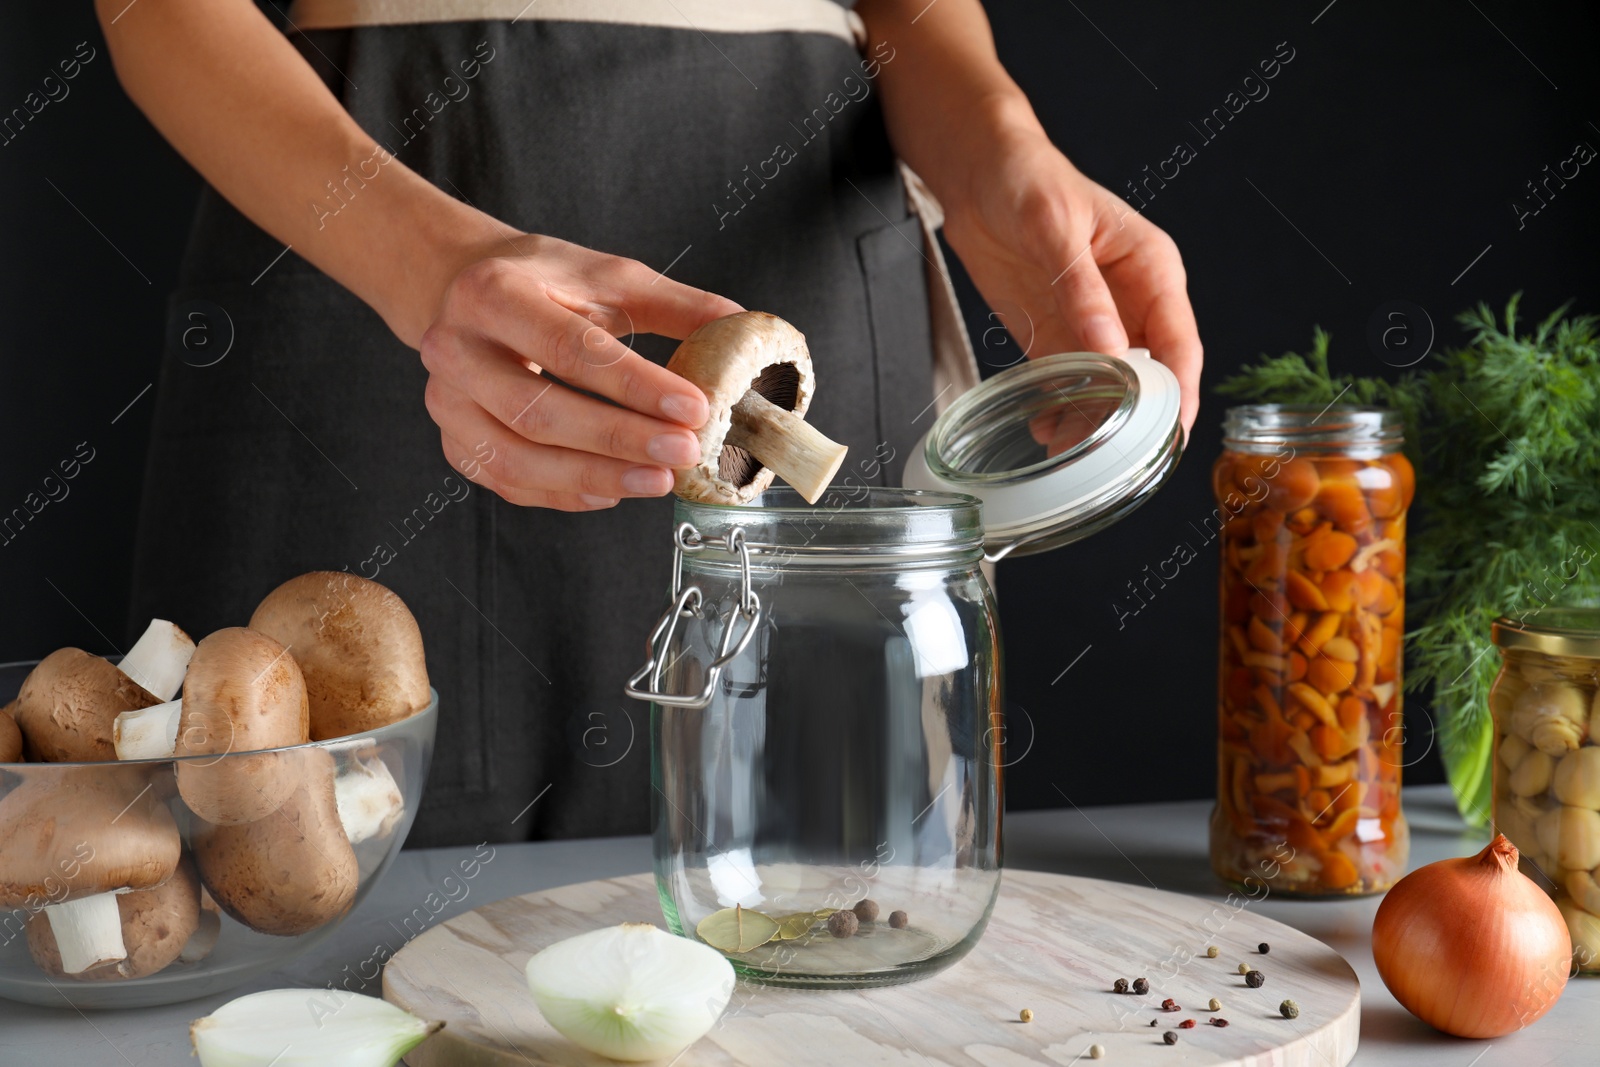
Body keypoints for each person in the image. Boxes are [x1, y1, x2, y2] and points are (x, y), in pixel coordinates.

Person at [102, 0, 1201, 845]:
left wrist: (994, 146)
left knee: (825, 920)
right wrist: (427, 267)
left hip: (800, 221)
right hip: (370, 198)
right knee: (327, 876)